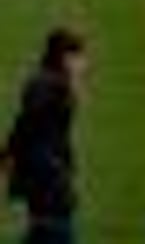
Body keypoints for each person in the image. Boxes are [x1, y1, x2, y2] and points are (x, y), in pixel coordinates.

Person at [1, 28, 87, 244]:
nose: (85, 63)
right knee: (57, 224)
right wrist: (8, 158)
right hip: (45, 169)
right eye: (79, 56)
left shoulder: (53, 81)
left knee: (46, 226)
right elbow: (27, 123)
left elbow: (26, 123)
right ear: (65, 56)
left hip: (46, 167)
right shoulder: (48, 85)